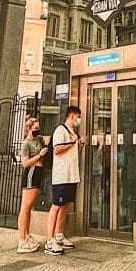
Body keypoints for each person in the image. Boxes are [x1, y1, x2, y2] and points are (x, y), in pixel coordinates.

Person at [44, 105, 82, 256]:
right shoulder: (60, 130)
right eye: (78, 117)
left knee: (65, 205)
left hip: (72, 174)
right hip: (61, 175)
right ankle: (49, 240)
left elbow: (72, 152)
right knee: (56, 206)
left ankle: (59, 235)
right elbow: (57, 150)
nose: (79, 120)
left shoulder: (73, 132)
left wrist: (79, 145)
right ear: (72, 116)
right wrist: (72, 142)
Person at [16, 118, 46, 253]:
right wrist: (39, 155)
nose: (37, 130)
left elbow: (48, 139)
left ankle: (27, 235)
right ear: (29, 128)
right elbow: (25, 163)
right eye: (35, 128)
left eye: (38, 127)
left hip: (39, 172)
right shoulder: (26, 144)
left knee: (29, 207)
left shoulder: (38, 139)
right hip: (31, 172)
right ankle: (22, 240)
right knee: (25, 208)